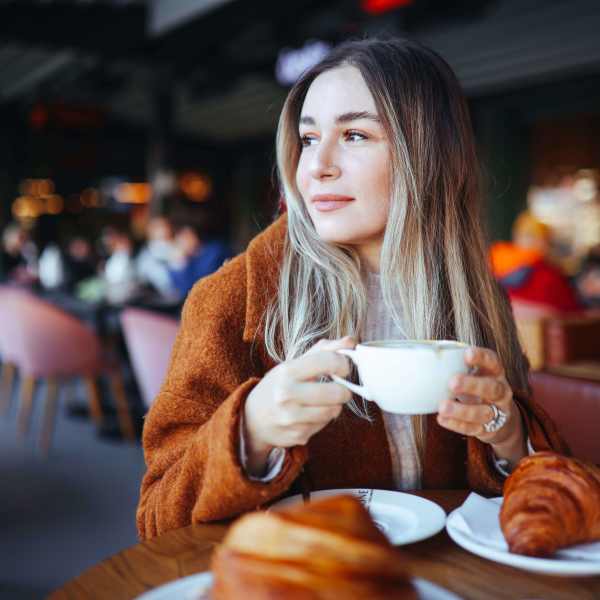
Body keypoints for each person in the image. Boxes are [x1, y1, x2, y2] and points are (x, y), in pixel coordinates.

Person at [137, 38, 566, 540]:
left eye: (356, 135)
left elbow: (544, 502)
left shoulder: (475, 298)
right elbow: (156, 519)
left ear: (427, 155)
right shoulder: (232, 299)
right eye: (310, 138)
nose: (317, 166)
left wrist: (512, 437)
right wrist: (249, 432)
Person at [489, 211, 581, 312]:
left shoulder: (496, 262)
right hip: (554, 323)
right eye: (545, 238)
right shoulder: (547, 273)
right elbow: (571, 310)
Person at [167, 223, 232, 299]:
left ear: (195, 236)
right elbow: (180, 290)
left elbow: (193, 288)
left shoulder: (214, 252)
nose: (184, 243)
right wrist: (180, 262)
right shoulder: (186, 259)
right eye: (180, 240)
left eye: (186, 237)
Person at [135, 216, 178, 298]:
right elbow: (142, 276)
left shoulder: (178, 247)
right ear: (151, 231)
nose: (164, 230)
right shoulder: (147, 253)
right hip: (156, 297)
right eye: (159, 227)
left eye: (166, 226)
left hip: (176, 295)